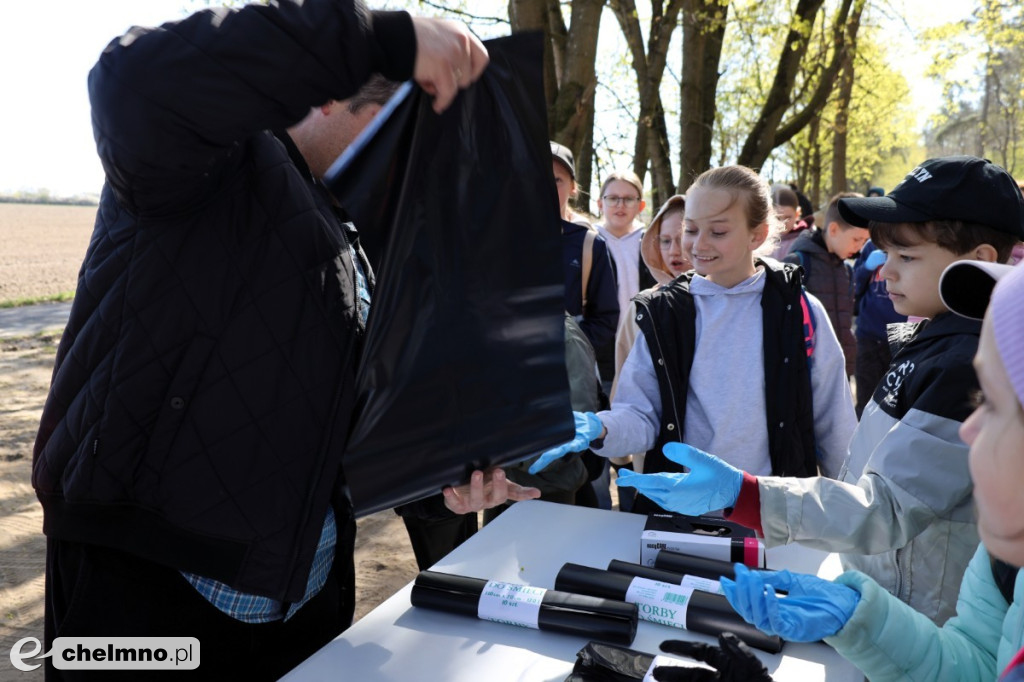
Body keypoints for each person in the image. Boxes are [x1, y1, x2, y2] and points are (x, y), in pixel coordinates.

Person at [32, 3, 541, 678]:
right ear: (331, 96)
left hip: (298, 606)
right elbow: (133, 79)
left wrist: (439, 482)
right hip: (151, 600)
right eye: (401, 138)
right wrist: (376, 38)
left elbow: (339, 427)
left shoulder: (352, 242)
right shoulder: (207, 157)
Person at [617, 156, 1024, 625]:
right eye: (884, 254)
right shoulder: (938, 342)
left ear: (977, 263)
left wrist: (746, 495)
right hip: (889, 603)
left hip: (921, 616)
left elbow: (884, 507)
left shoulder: (962, 364)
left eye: (906, 257)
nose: (883, 273)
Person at [707, 259, 1024, 682]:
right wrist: (861, 622)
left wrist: (749, 496)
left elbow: (885, 507)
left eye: (997, 405)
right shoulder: (1003, 564)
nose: (968, 429)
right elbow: (981, 664)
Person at [531, 165, 856, 516]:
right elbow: (641, 415)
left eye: (717, 232)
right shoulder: (662, 312)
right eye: (690, 229)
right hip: (681, 517)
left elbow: (834, 424)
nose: (697, 245)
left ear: (757, 235)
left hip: (774, 520)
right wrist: (600, 427)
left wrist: (849, 514)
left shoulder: (800, 310)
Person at [552, 141, 619, 510]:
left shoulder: (589, 244)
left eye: (557, 180)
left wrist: (563, 350)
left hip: (573, 383)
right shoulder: (501, 241)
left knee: (581, 482)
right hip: (514, 383)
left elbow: (607, 319)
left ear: (573, 187)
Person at [783, 192, 870, 378]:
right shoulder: (797, 262)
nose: (860, 248)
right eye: (856, 239)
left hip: (839, 374)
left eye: (864, 241)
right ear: (833, 230)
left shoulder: (847, 269)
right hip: (805, 374)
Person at [851, 237, 907, 416]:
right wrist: (867, 267)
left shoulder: (909, 241)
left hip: (903, 335)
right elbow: (853, 285)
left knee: (894, 405)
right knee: (865, 400)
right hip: (868, 334)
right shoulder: (871, 245)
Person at [769, 185, 810, 259]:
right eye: (777, 218)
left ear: (797, 214)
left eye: (788, 218)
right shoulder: (764, 239)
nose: (782, 223)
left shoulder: (806, 240)